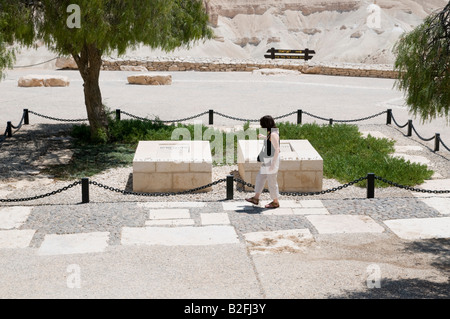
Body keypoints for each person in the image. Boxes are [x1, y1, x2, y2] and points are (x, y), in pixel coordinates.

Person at [245, 115, 281, 209]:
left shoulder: (273, 134)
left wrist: (273, 164)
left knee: (272, 181)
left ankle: (275, 202)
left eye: (262, 124)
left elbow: (277, 149)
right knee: (260, 177)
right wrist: (264, 137)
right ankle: (256, 198)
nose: (261, 126)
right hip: (268, 159)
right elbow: (271, 141)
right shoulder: (273, 131)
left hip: (272, 160)